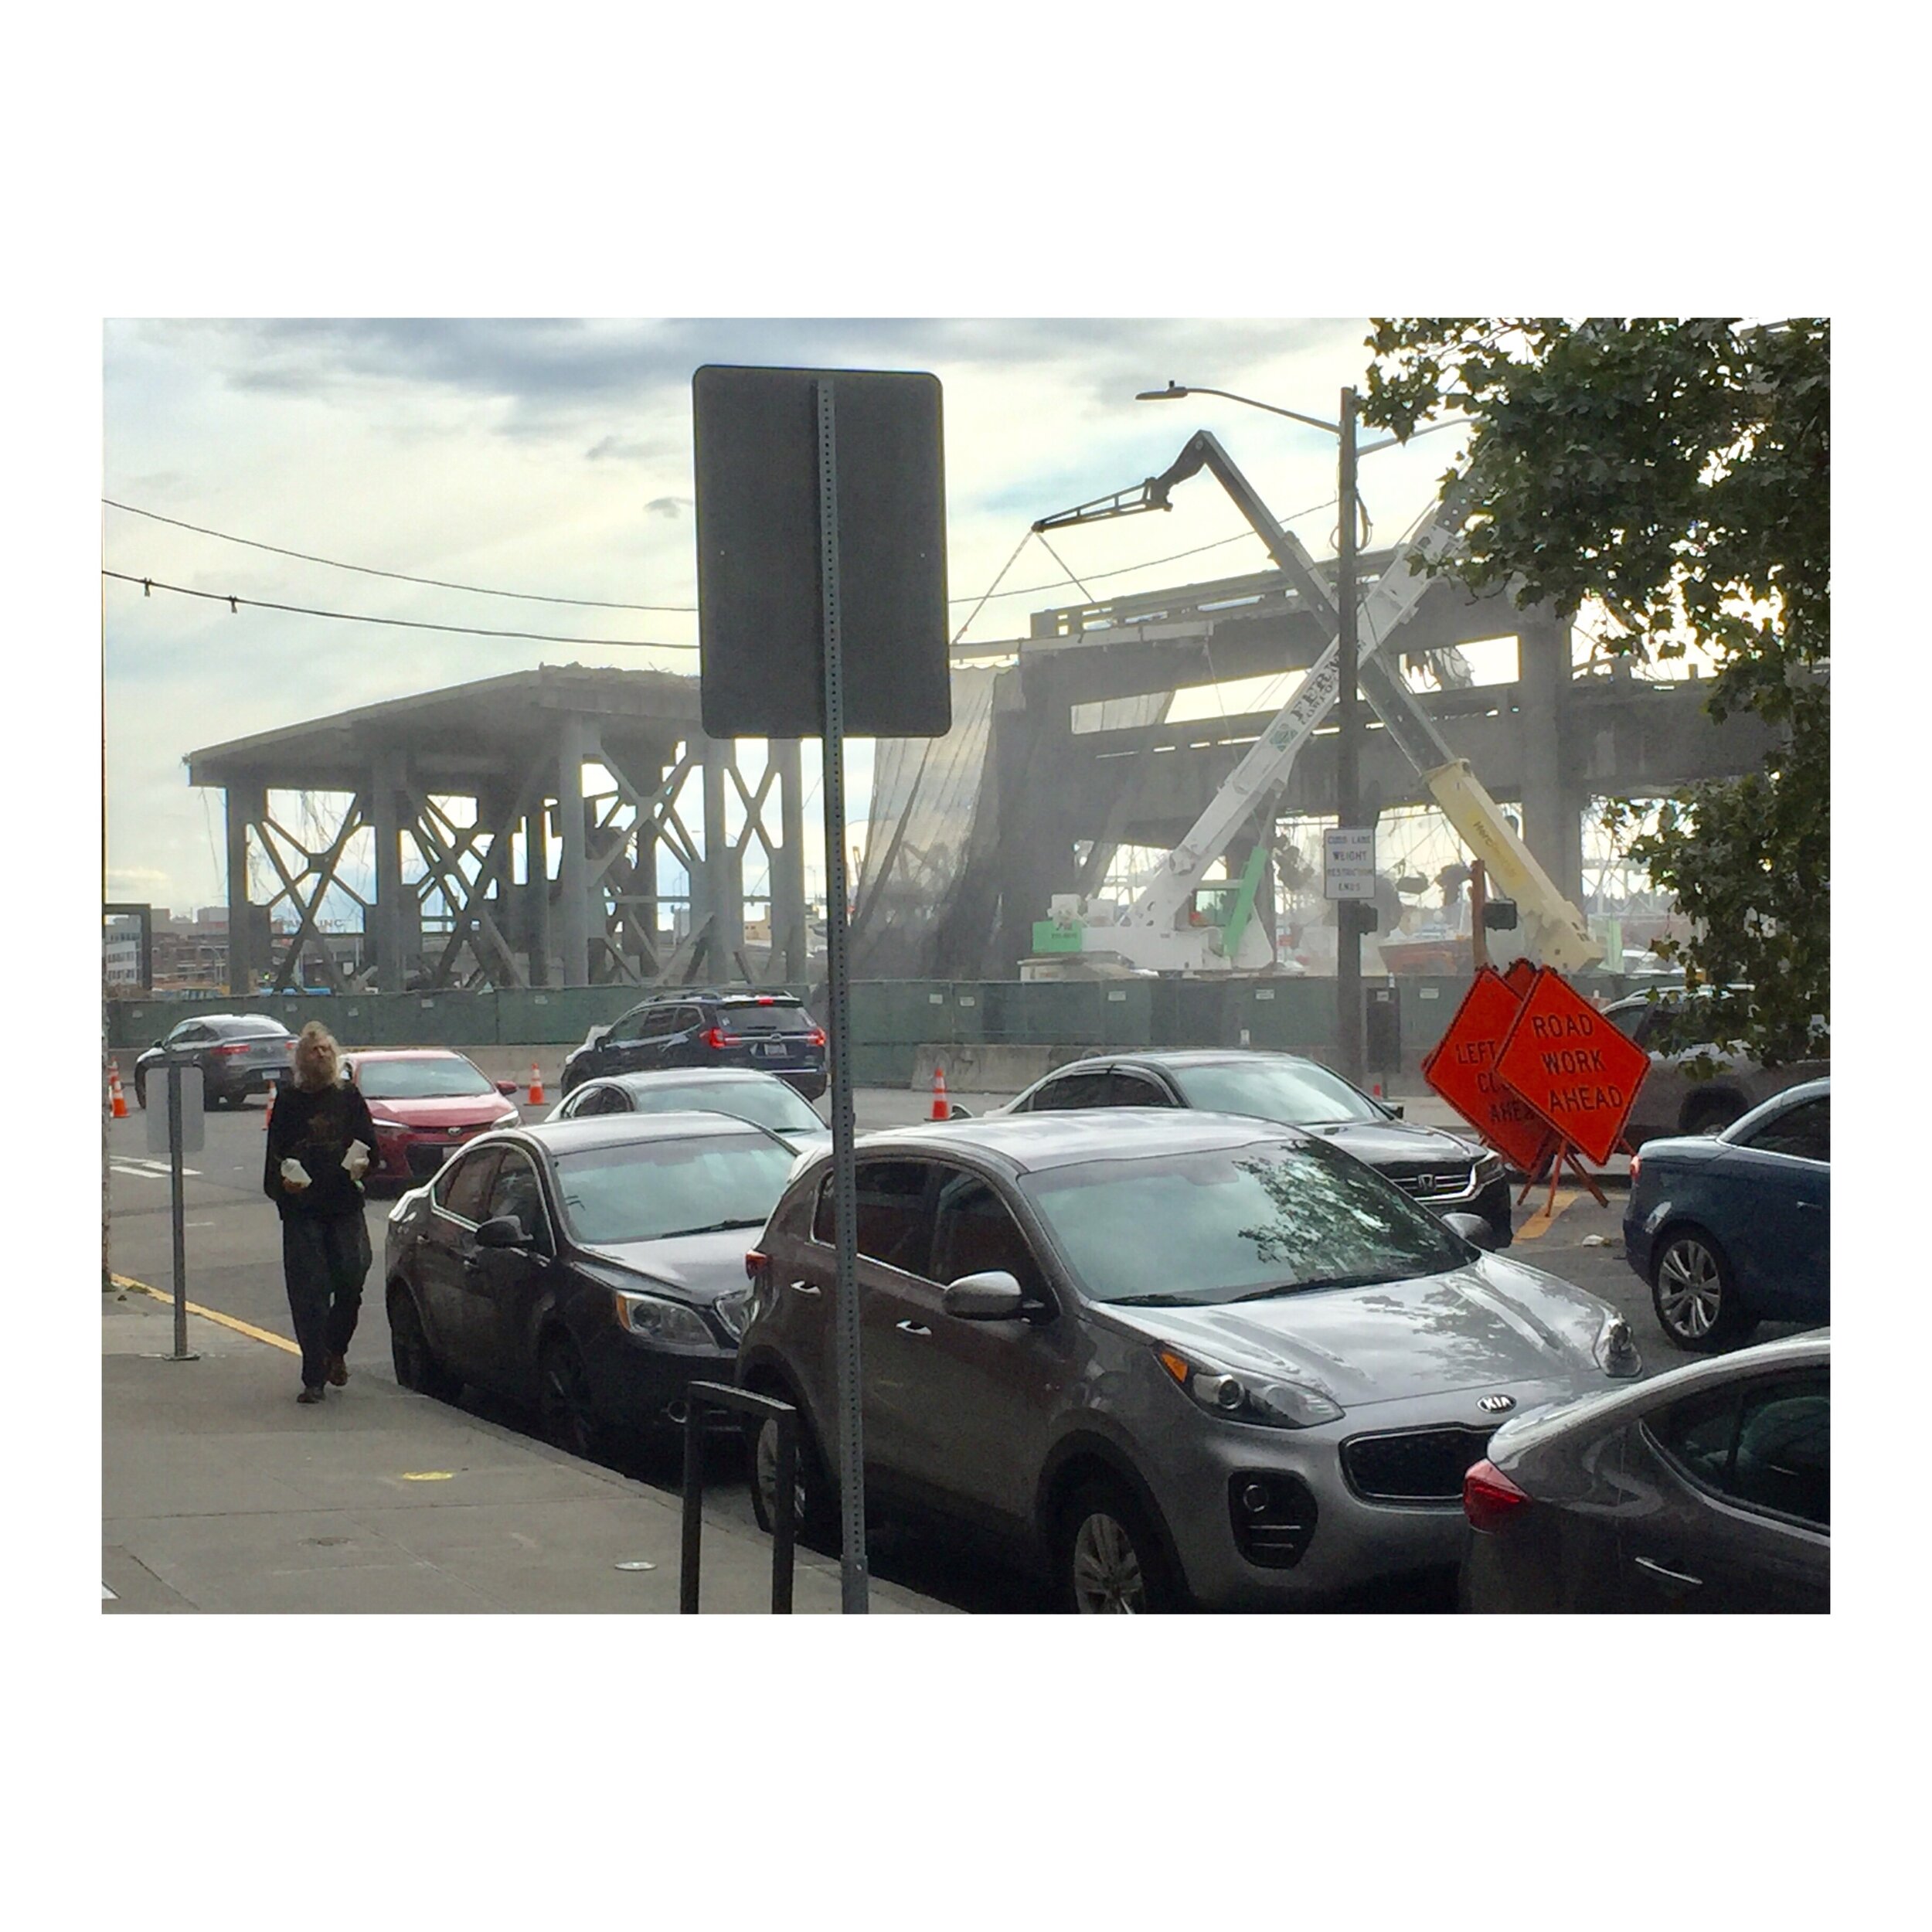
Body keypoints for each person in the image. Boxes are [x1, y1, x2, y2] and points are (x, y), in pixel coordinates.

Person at [264, 1022, 379, 1403]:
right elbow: (274, 1157)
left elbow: (371, 1146)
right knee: (308, 1294)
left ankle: (336, 1350)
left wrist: (364, 1164)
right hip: (303, 1212)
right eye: (314, 1050)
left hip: (344, 1205)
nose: (322, 1055)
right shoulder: (288, 1102)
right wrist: (283, 1185)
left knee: (351, 1282)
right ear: (301, 1059)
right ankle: (314, 1376)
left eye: (327, 1049)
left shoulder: (348, 1098)